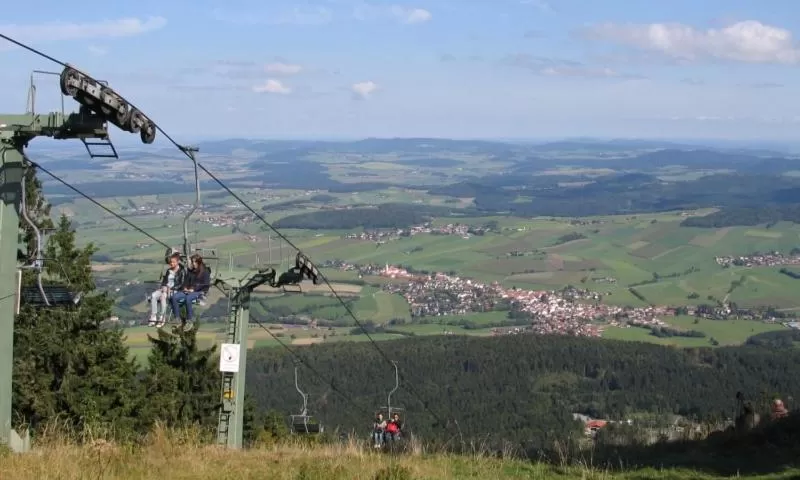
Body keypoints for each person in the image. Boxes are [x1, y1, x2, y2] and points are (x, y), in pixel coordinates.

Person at [169, 254, 211, 326]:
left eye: (195, 262)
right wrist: (185, 287)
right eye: (192, 262)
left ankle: (189, 320)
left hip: (199, 291)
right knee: (174, 297)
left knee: (188, 298)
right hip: (189, 290)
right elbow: (186, 281)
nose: (194, 264)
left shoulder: (205, 271)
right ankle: (177, 318)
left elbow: (206, 284)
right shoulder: (191, 271)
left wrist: (194, 289)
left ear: (199, 262)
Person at [148, 252, 185, 327]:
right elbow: (165, 281)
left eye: (173, 262)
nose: (171, 264)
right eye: (170, 262)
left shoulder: (181, 271)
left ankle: (162, 317)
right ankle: (154, 316)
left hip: (174, 290)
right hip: (165, 289)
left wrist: (170, 289)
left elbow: (181, 284)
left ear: (177, 262)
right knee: (153, 295)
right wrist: (163, 287)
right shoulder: (169, 271)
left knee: (162, 297)